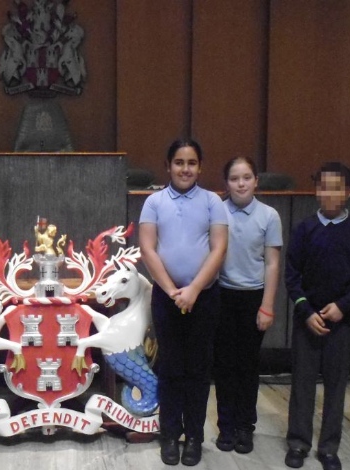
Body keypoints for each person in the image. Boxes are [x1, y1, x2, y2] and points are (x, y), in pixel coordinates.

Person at [139, 139, 229, 466]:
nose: (185, 169)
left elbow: (219, 249)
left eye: (191, 162)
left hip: (204, 298)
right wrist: (172, 290)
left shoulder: (213, 202)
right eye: (179, 162)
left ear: (200, 167)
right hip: (166, 298)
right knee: (170, 367)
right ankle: (169, 436)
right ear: (168, 165)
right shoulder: (154, 202)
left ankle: (193, 437)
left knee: (198, 369)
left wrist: (193, 290)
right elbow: (148, 248)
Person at [284, 162, 350, 470]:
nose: (329, 194)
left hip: (343, 322)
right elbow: (292, 275)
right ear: (316, 191)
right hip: (307, 320)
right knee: (303, 384)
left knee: (337, 385)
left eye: (337, 188)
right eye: (323, 187)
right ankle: (298, 442)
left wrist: (343, 306)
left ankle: (329, 447)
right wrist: (306, 310)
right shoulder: (304, 229)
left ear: (349, 192)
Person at [214, 157, 282, 454]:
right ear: (225, 183)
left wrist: (267, 306)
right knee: (224, 366)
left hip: (253, 297)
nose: (240, 184)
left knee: (247, 366)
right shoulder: (217, 212)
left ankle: (245, 427)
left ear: (256, 181)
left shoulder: (269, 216)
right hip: (222, 296)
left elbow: (272, 262)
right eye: (234, 178)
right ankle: (226, 426)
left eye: (246, 177)